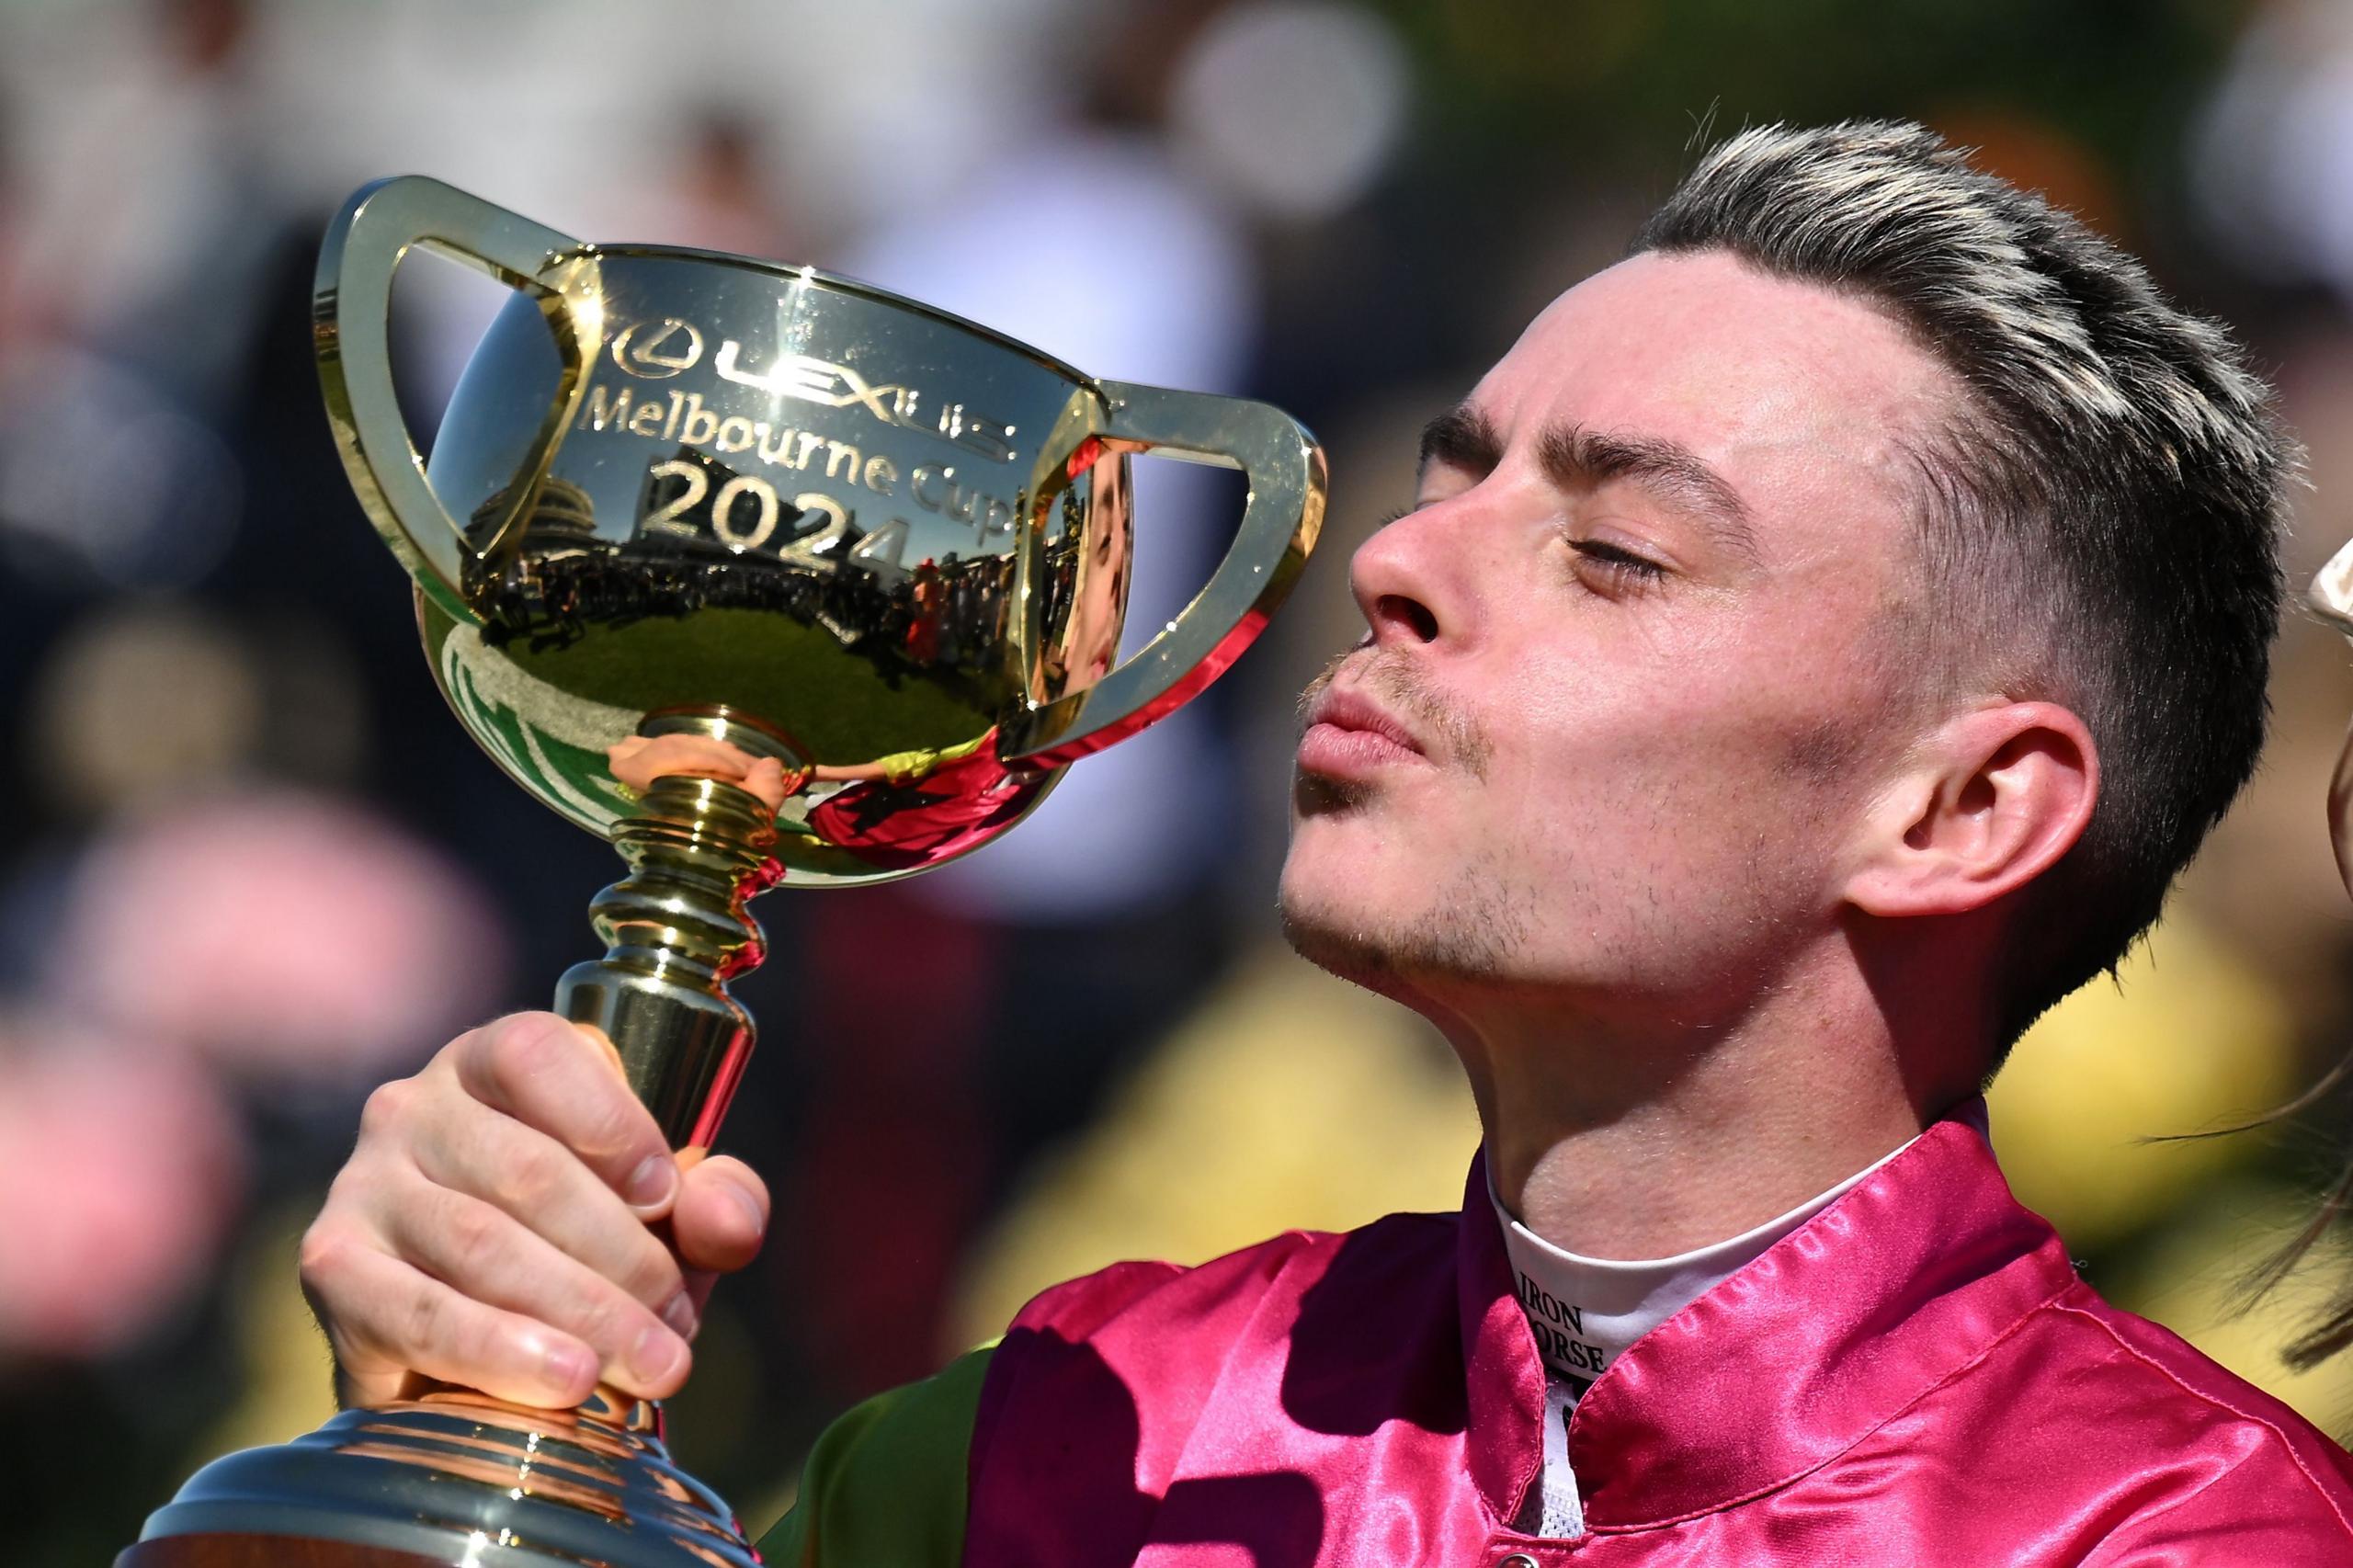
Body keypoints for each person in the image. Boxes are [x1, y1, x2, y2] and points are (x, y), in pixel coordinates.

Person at [298, 121, 2353, 1563]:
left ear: (1961, 807)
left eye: (1614, 552)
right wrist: (447, 1459)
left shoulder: (2178, 1534)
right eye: (1447, 478)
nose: (1387, 562)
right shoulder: (1053, 1436)